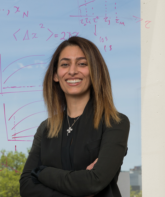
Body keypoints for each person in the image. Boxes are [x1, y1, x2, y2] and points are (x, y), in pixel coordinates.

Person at [19, 36, 130, 197]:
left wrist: (42, 172)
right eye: (65, 64)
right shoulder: (45, 128)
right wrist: (80, 189)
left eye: (82, 64)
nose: (72, 71)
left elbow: (94, 182)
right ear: (56, 75)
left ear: (95, 72)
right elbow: (26, 187)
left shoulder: (115, 123)